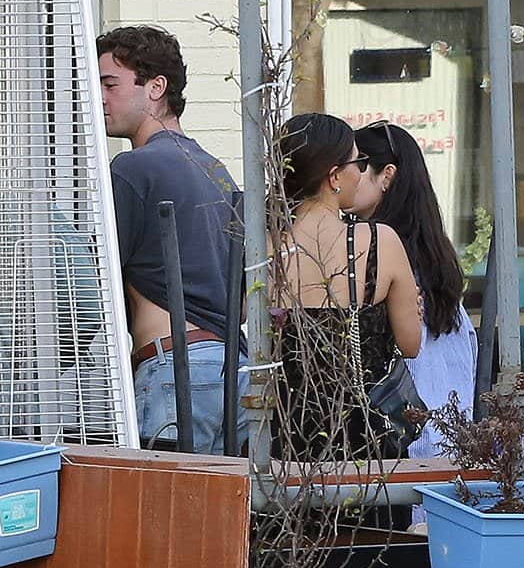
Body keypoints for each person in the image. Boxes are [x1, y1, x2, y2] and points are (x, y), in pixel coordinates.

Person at [97, 26, 246, 454]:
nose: (100, 98)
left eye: (110, 83)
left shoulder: (134, 168)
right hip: (229, 368)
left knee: (164, 516)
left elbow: (93, 286)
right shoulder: (214, 169)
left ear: (157, 87)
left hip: (175, 367)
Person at [275, 113, 423, 461]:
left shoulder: (266, 249)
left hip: (287, 439)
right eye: (357, 162)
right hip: (366, 439)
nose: (360, 171)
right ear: (334, 176)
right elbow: (411, 343)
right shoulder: (378, 242)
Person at [352, 121, 477, 456]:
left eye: (357, 166)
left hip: (404, 449)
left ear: (386, 175)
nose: (344, 178)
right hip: (451, 446)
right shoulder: (434, 259)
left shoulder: (380, 260)